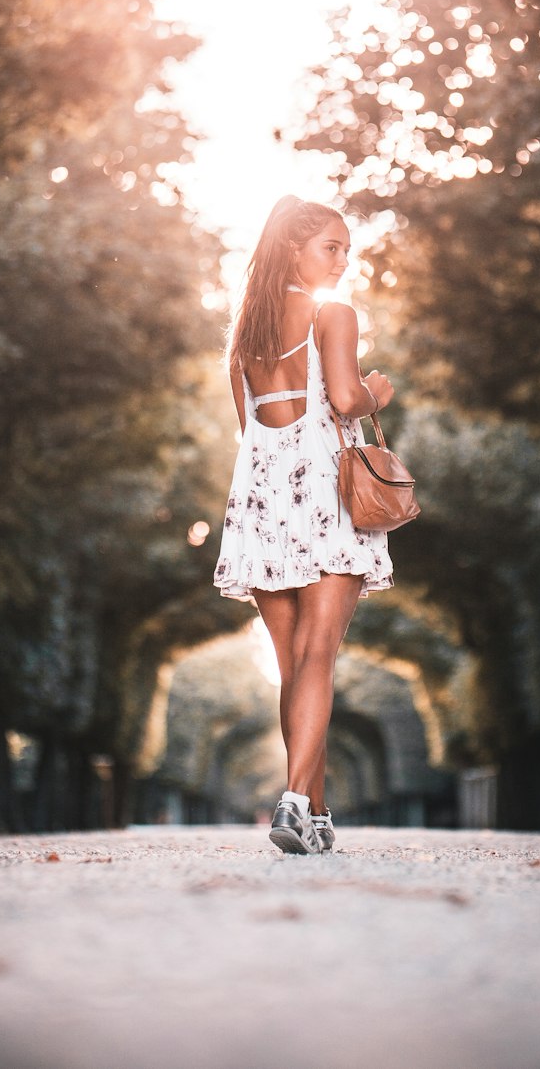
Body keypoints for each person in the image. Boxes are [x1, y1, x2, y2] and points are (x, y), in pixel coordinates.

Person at [213, 195, 395, 855]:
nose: (345, 260)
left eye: (348, 248)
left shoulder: (245, 338)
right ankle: (292, 803)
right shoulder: (333, 316)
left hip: (263, 499)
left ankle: (315, 811)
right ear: (295, 249)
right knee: (320, 651)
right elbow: (345, 400)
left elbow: (249, 430)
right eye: (332, 247)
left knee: (294, 662)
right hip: (324, 494)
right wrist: (379, 392)